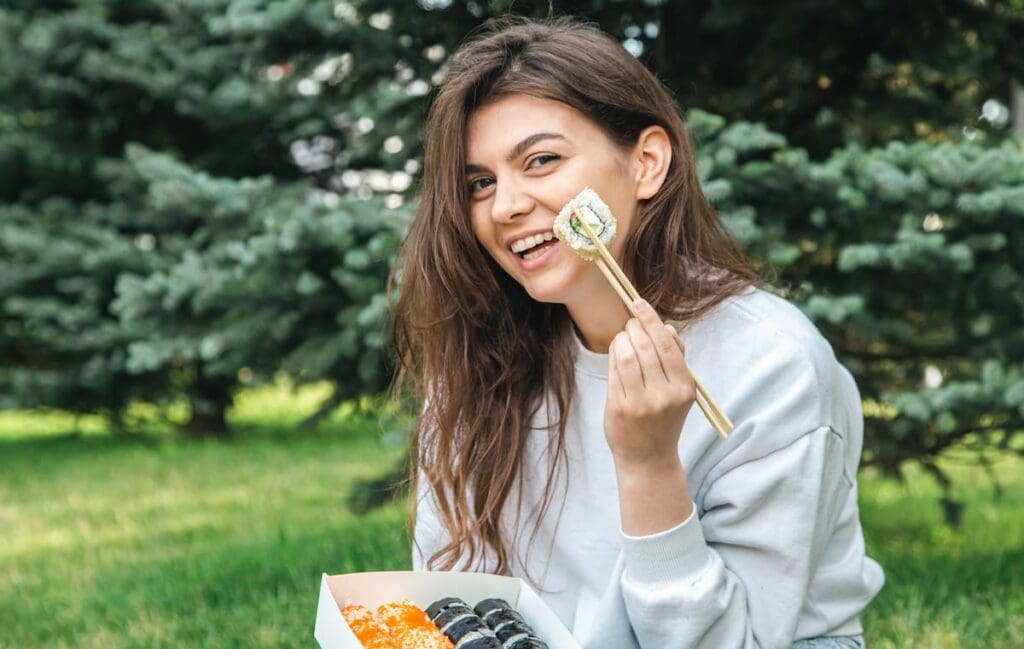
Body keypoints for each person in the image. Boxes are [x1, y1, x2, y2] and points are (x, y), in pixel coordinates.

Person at [390, 15, 884, 649]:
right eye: (479, 183)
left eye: (540, 160)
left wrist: (650, 466)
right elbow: (449, 595)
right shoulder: (479, 349)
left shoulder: (772, 363)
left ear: (647, 163)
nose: (505, 205)